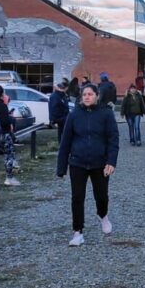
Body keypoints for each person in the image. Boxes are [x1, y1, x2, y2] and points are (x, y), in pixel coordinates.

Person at [56, 84, 119, 247]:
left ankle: (103, 215)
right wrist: (61, 167)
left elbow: (113, 139)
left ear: (97, 95)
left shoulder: (106, 114)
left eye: (90, 94)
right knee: (77, 197)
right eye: (84, 94)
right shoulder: (74, 114)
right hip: (78, 162)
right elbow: (65, 142)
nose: (87, 97)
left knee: (101, 195)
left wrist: (111, 161)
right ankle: (78, 232)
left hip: (100, 163)